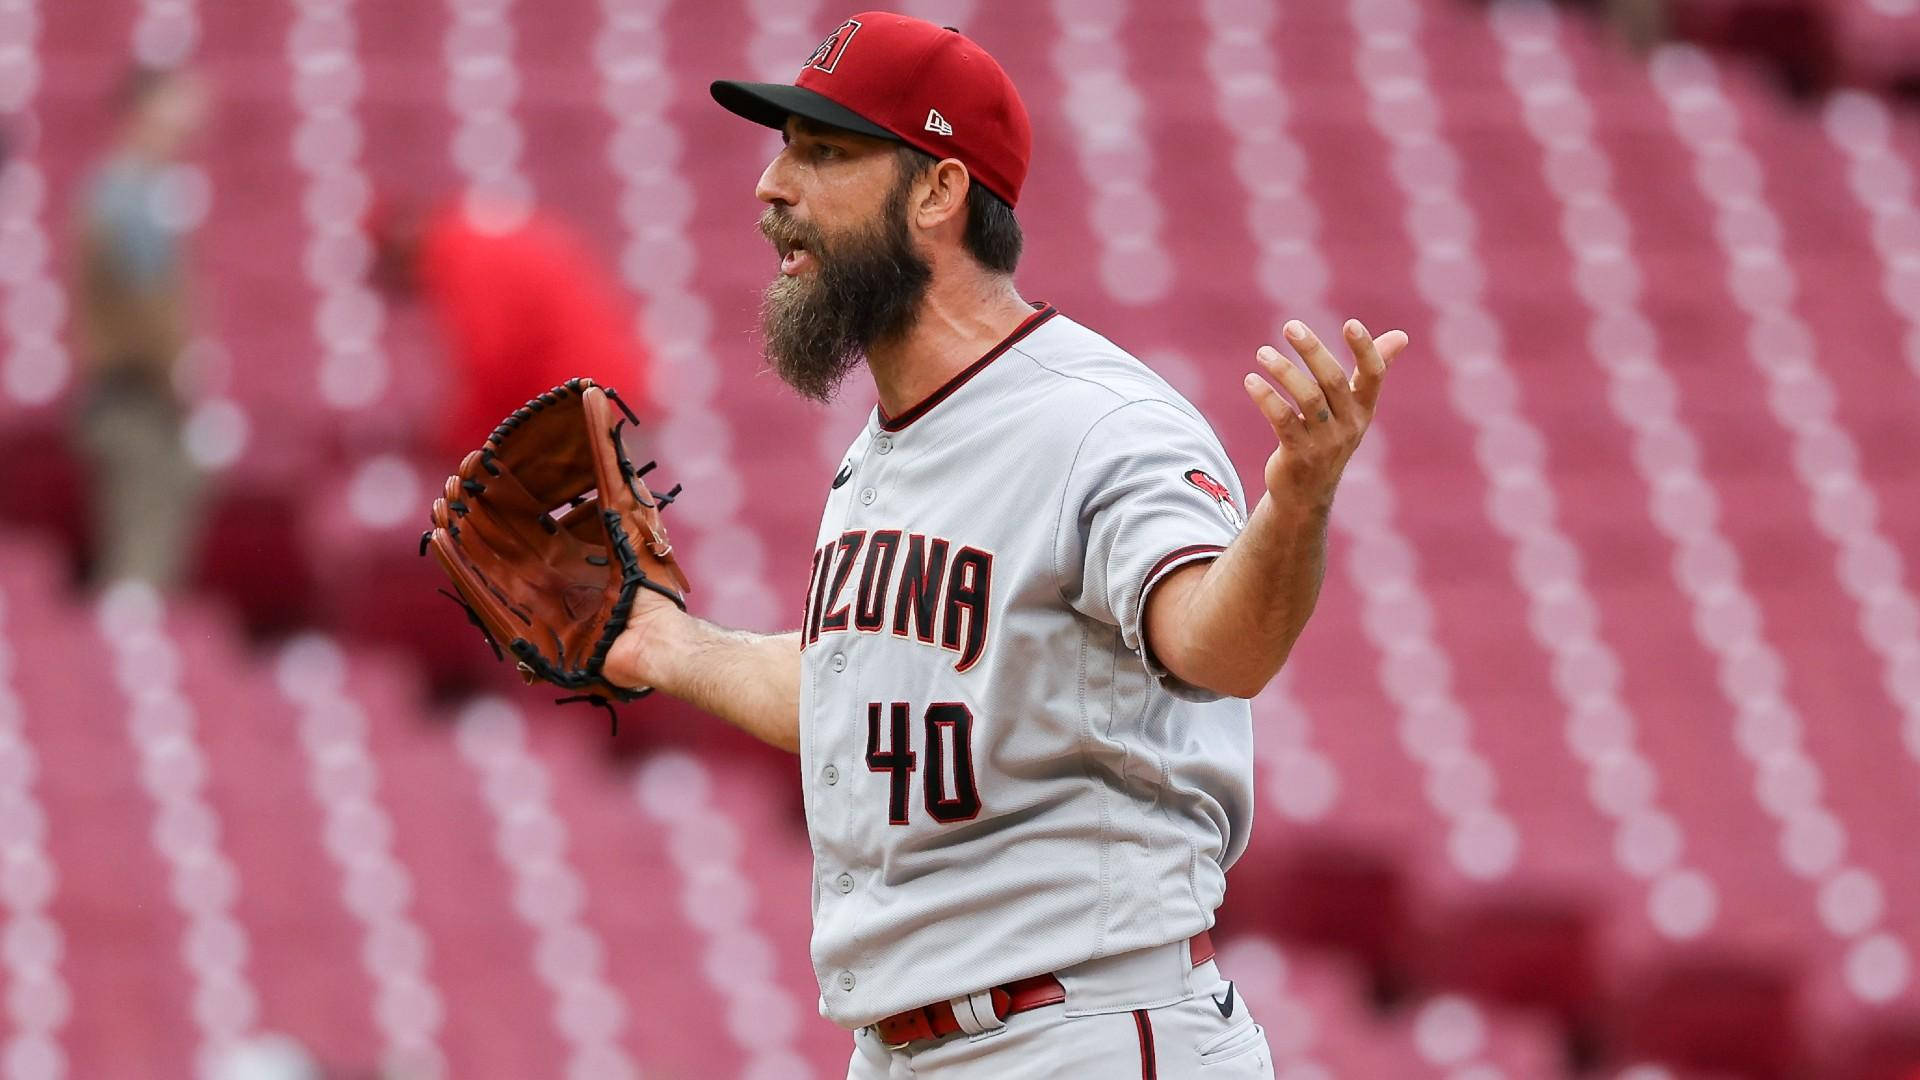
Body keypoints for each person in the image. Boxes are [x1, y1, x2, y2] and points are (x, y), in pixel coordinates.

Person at [604, 12, 1407, 1077]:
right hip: (910, 1047)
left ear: (938, 192)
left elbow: (1221, 647)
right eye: (785, 148)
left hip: (1077, 1034)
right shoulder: (883, 451)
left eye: (825, 152)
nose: (771, 186)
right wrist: (663, 644)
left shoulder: (1097, 421)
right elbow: (863, 692)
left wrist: (1294, 506)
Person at [366, 194, 657, 465]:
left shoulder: (461, 257)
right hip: (606, 401)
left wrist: (456, 439)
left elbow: (495, 366)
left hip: (583, 415)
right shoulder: (476, 235)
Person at [70, 64, 209, 589]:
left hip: (138, 390)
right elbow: (142, 303)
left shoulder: (146, 192)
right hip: (134, 394)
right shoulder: (128, 196)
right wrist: (174, 372)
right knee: (142, 554)